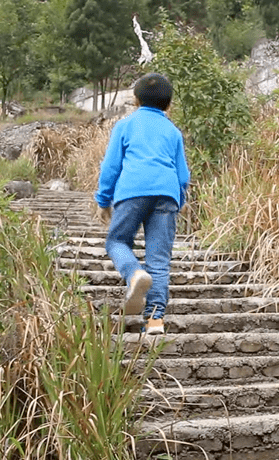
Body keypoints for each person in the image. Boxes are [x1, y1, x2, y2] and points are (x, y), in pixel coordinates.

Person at [94, 72, 190, 335]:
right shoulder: (173, 131)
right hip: (167, 194)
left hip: (132, 191)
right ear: (168, 105)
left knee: (117, 241)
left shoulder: (125, 126)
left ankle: (134, 274)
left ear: (135, 100)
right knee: (159, 260)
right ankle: (156, 320)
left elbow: (111, 167)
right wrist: (178, 200)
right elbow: (183, 175)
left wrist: (103, 200)